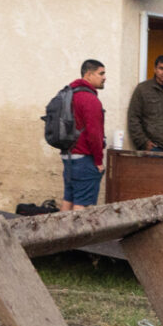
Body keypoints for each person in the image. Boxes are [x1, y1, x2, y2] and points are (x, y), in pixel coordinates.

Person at [61, 60, 106, 212]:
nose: (104, 77)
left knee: (68, 200)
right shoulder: (90, 99)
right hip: (84, 160)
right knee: (82, 206)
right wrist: (99, 161)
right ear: (88, 74)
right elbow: (94, 134)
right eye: (101, 73)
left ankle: (59, 235)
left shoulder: (69, 94)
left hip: (68, 157)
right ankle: (75, 237)